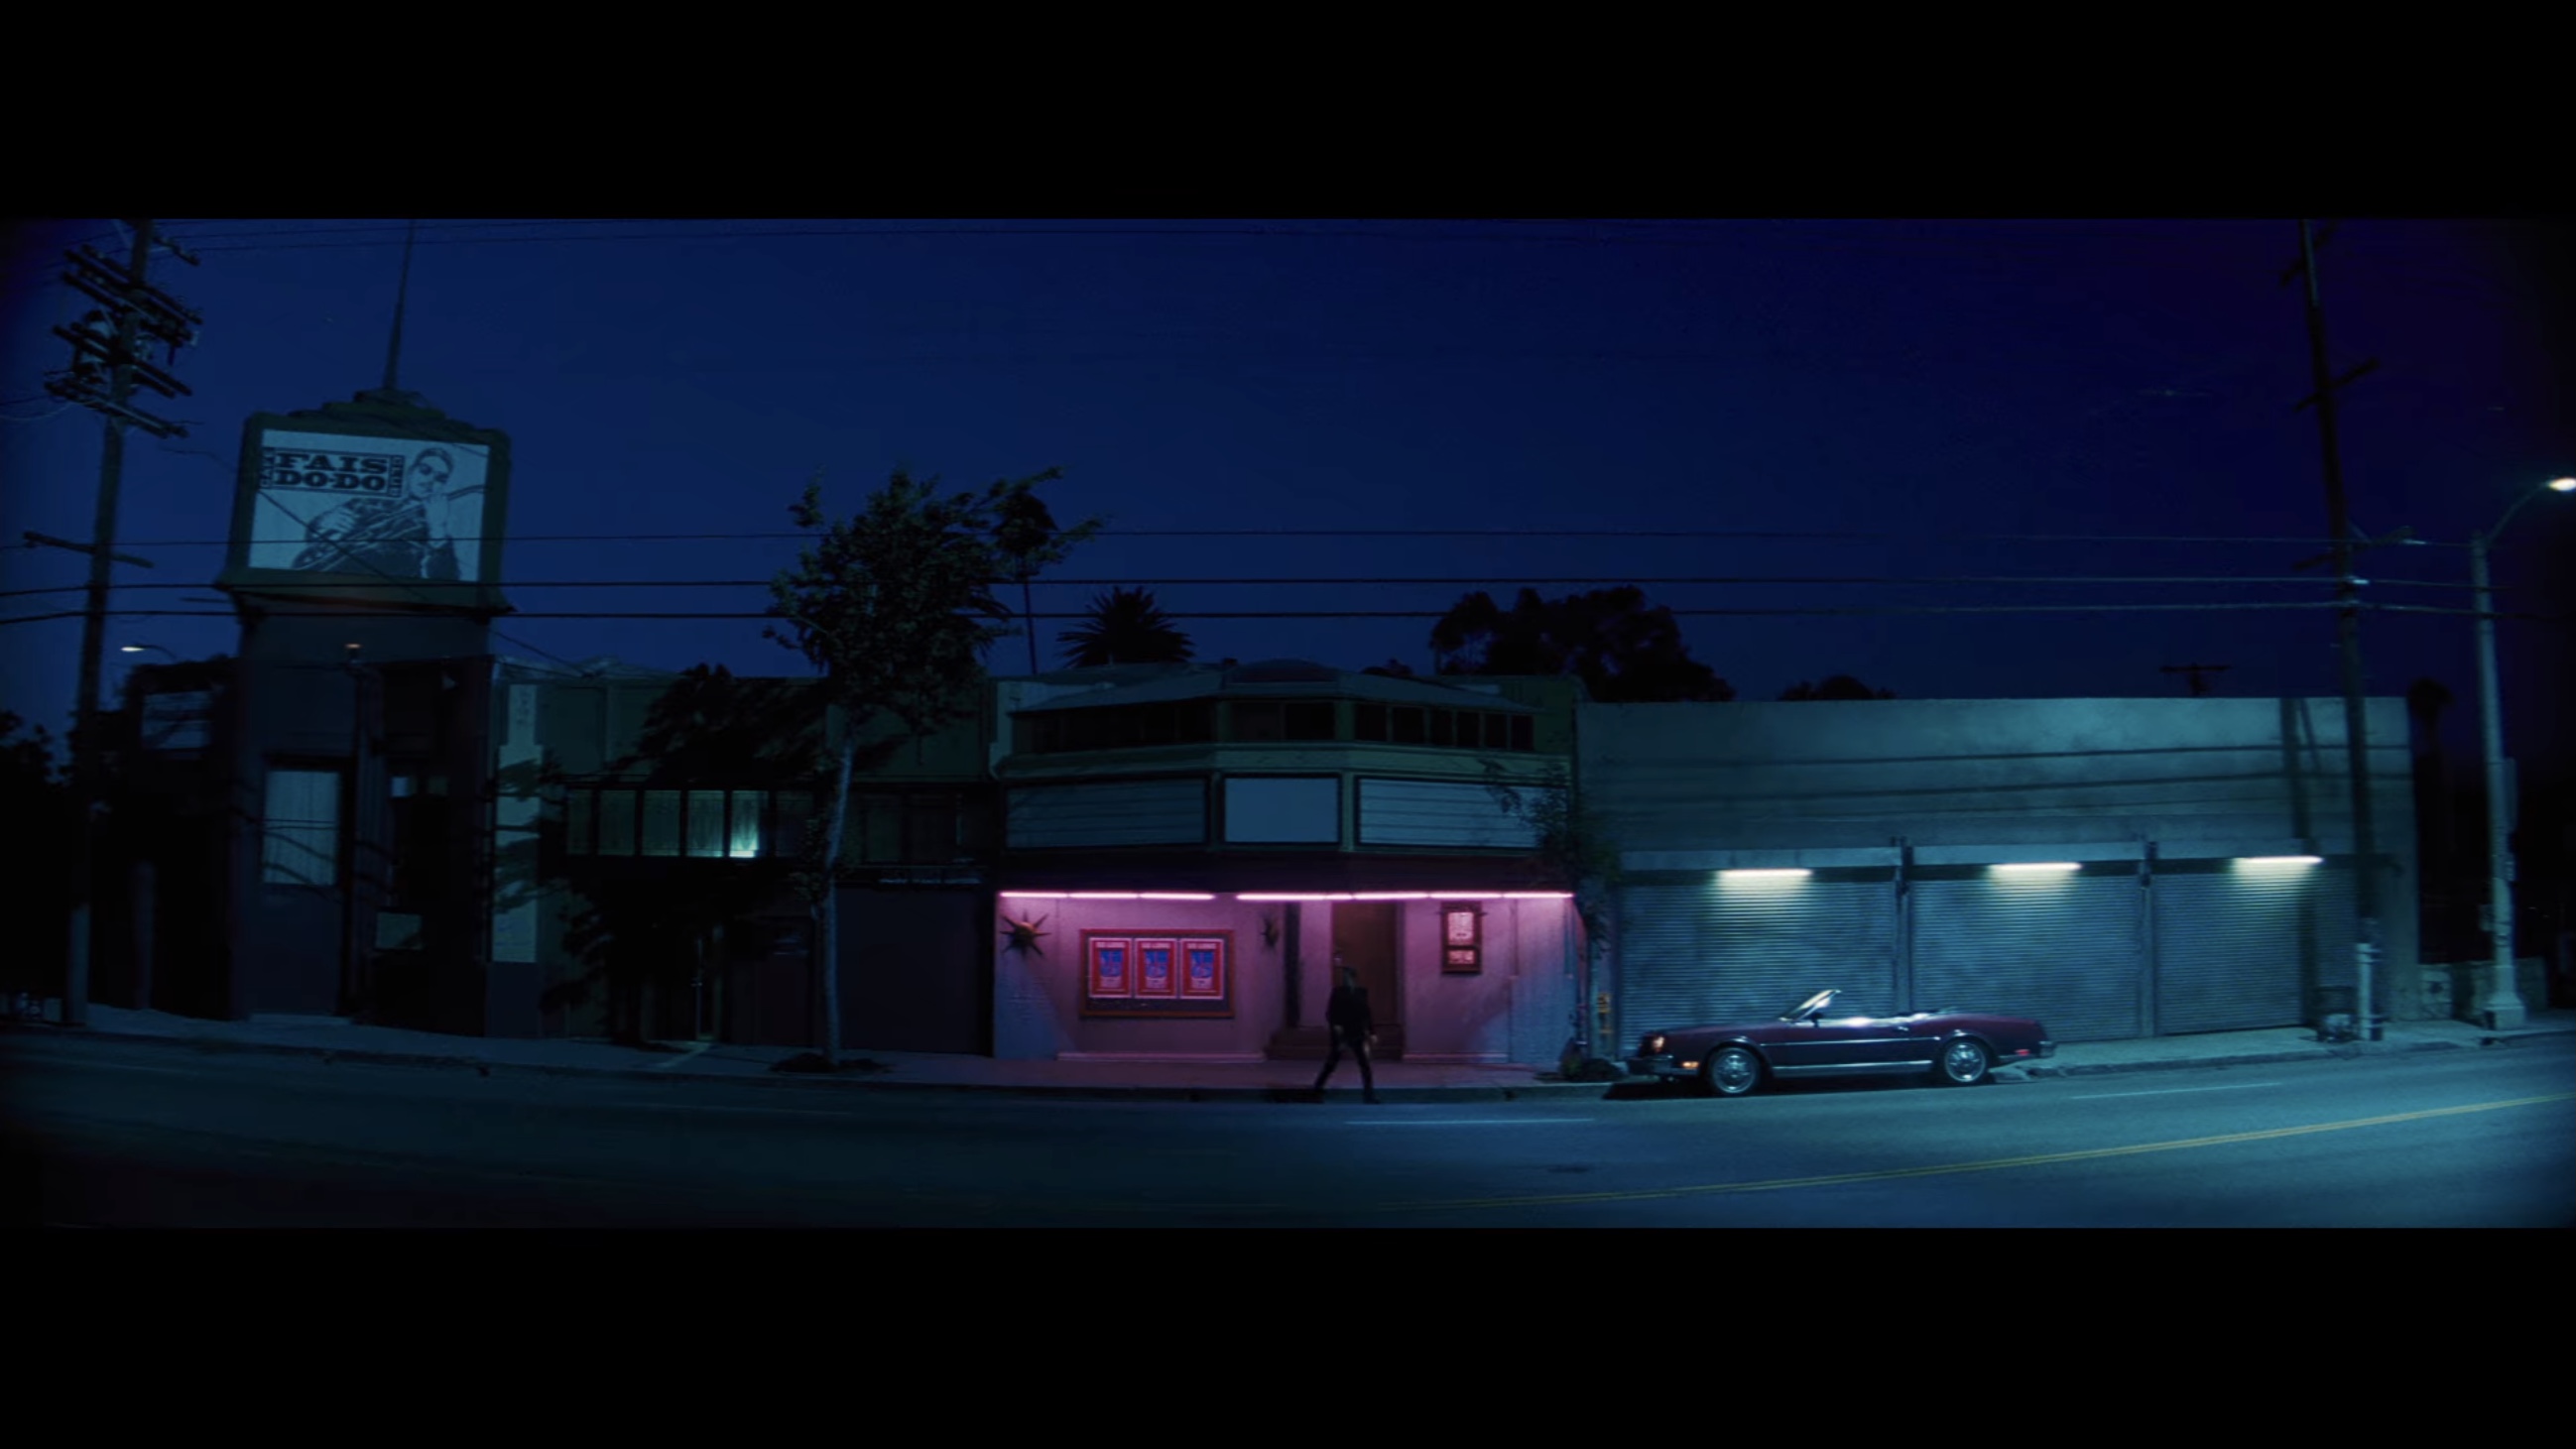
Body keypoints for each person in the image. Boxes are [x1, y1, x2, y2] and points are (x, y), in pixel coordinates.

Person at [293, 445, 466, 580]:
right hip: (316, 580)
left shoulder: (434, 528)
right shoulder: (368, 503)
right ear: (411, 471)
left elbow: (446, 580)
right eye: (425, 470)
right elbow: (315, 542)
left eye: (440, 478)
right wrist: (322, 522)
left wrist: (438, 528)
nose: (430, 481)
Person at [1314, 959, 1380, 1103]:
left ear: (1353, 977)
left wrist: (1372, 1032)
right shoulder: (1338, 992)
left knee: (1364, 1065)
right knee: (1331, 1064)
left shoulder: (1361, 993)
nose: (1346, 979)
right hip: (1342, 1033)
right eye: (1345, 976)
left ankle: (1369, 1095)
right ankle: (1316, 1092)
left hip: (1357, 1032)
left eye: (1348, 976)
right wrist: (1336, 1025)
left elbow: (1366, 1014)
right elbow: (1331, 1012)